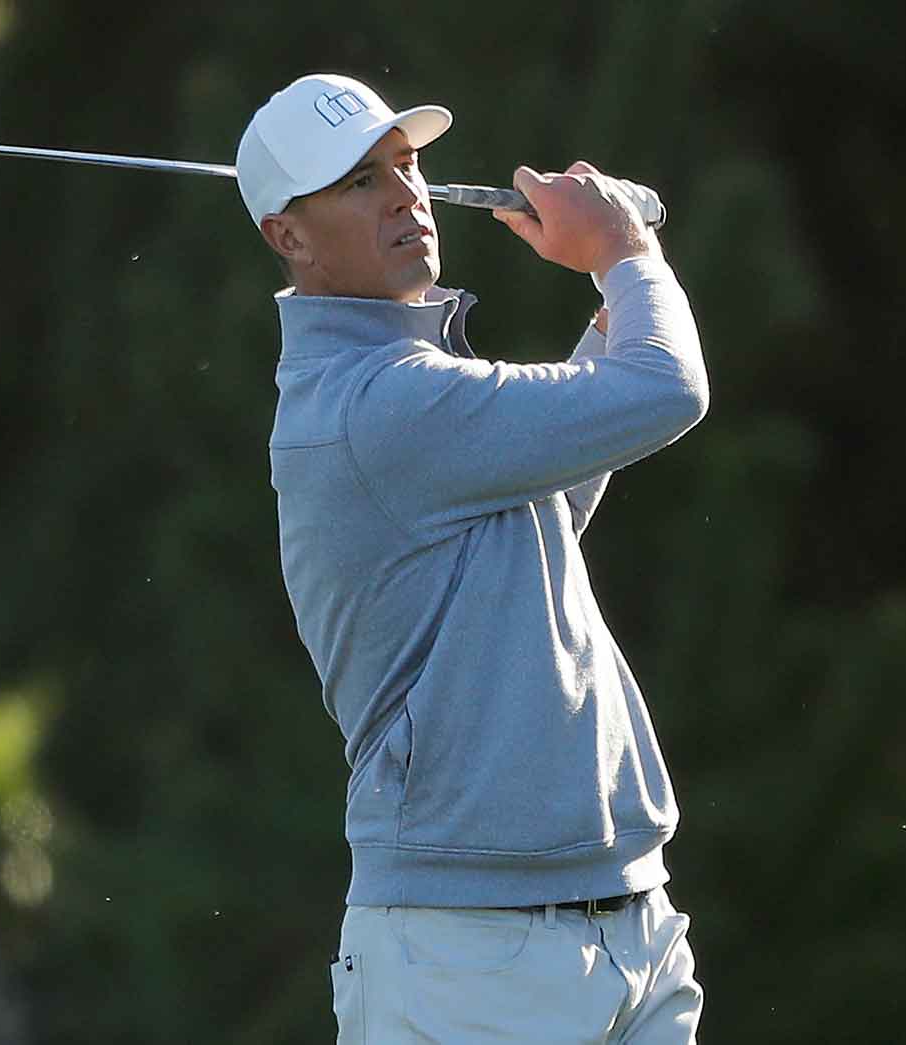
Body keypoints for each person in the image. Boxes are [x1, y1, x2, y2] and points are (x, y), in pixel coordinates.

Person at [237, 73, 709, 1043]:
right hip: (466, 952)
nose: (405, 196)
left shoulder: (420, 389)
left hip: (630, 919)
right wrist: (622, 254)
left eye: (406, 165)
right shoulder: (377, 401)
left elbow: (550, 501)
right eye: (360, 182)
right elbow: (664, 389)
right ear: (288, 237)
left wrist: (618, 288)